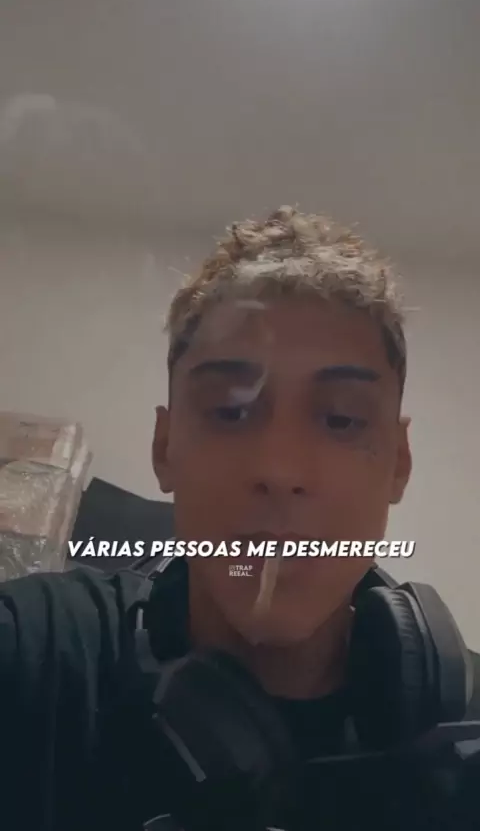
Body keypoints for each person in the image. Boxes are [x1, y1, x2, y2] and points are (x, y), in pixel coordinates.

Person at [1, 205, 479, 831]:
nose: (280, 469)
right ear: (164, 448)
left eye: (340, 419)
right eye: (229, 411)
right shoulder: (36, 655)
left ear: (399, 463)